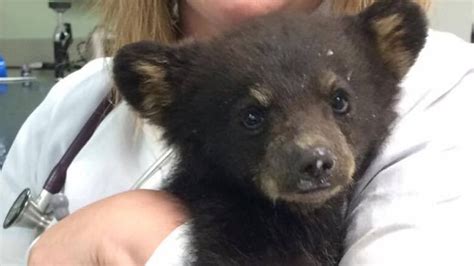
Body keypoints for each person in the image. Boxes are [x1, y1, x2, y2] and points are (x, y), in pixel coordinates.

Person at [1, 0, 473, 265]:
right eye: (252, 118)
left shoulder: (445, 88)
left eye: (338, 104)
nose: (314, 150)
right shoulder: (75, 104)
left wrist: (146, 243)